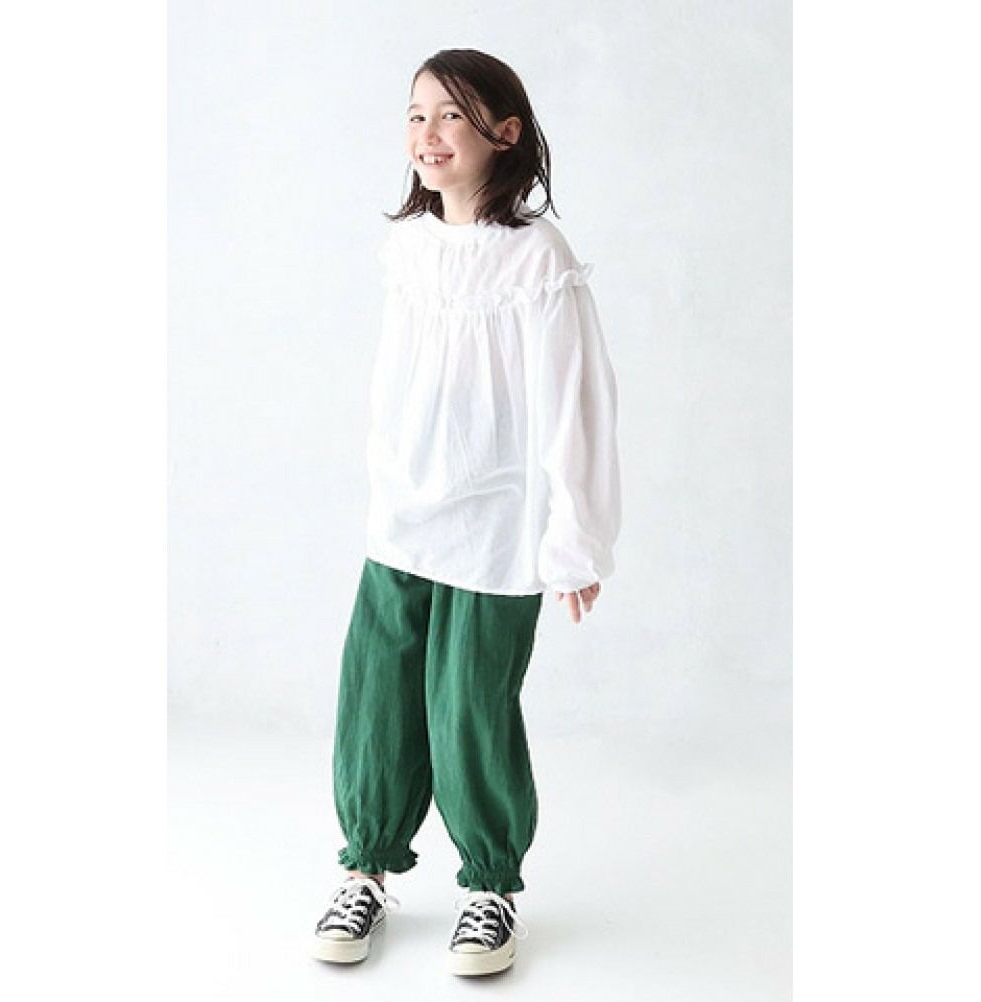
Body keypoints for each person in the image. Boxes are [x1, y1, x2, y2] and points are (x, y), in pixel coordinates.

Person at [311, 48, 622, 977]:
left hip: (497, 526)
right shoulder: (408, 249)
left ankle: (490, 887)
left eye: (451, 115)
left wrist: (576, 536)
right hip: (404, 516)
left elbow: (575, 402)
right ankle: (366, 866)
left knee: (468, 707)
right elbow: (396, 384)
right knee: (377, 697)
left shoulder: (535, 258)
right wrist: (383, 482)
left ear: (505, 132)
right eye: (416, 115)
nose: (428, 134)